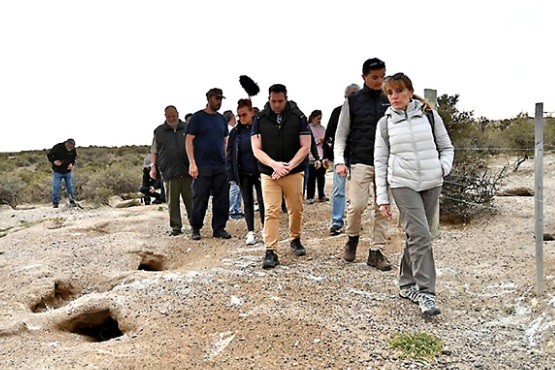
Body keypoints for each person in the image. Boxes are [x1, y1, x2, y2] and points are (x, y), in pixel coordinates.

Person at [375, 72, 454, 316]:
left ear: (409, 91)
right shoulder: (385, 123)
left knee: (418, 236)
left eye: (398, 91)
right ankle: (426, 293)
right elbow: (380, 161)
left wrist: (442, 168)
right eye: (389, 93)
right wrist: (382, 198)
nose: (394, 96)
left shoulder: (429, 115)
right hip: (403, 184)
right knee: (421, 236)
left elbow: (446, 146)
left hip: (432, 182)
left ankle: (406, 284)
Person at [334, 57, 391, 270]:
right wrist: (340, 161)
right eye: (374, 77)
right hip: (360, 161)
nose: (379, 81)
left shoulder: (390, 98)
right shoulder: (352, 102)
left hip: (386, 164)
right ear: (364, 77)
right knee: (356, 205)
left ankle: (376, 252)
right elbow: (341, 135)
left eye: (382, 76)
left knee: (382, 209)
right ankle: (352, 238)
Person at [251, 83, 311, 269]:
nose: (276, 105)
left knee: (296, 208)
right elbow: (256, 148)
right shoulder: (260, 118)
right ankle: (271, 250)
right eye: (273, 101)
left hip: (293, 171)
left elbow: (305, 145)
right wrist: (274, 165)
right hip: (269, 173)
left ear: (286, 99)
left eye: (280, 101)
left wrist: (289, 166)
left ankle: (295, 237)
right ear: (269, 99)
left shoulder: (298, 116)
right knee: (271, 210)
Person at [186, 88, 232, 240]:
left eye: (220, 99)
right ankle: (195, 227)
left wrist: (227, 160)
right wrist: (192, 163)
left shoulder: (221, 119)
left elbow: (225, 141)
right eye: (216, 98)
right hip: (202, 165)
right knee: (200, 198)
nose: (218, 101)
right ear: (208, 98)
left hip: (220, 165)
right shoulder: (197, 118)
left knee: (222, 199)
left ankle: (219, 228)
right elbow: (189, 140)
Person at [323, 83, 360, 235]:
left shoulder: (365, 112)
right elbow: (329, 135)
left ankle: (354, 221)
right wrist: (326, 155)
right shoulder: (338, 112)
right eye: (346, 95)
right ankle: (337, 221)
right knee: (339, 189)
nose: (348, 98)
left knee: (358, 191)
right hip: (342, 156)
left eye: (351, 94)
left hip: (359, 155)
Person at [226, 99, 265, 245]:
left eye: (244, 115)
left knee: (263, 202)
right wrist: (231, 175)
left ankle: (265, 229)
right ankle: (250, 232)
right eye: (239, 116)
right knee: (247, 202)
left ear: (251, 113)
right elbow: (229, 154)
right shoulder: (235, 132)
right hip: (242, 172)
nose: (241, 118)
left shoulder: (260, 127)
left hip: (260, 171)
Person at [151, 105, 192, 236]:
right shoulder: (159, 131)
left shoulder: (187, 128)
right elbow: (154, 151)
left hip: (188, 171)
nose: (171, 118)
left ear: (178, 114)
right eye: (169, 116)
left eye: (173, 116)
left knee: (191, 200)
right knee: (172, 202)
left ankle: (195, 224)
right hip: (169, 172)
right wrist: (153, 166)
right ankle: (176, 227)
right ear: (165, 116)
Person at [224, 109, 243, 220]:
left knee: (237, 187)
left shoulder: (230, 130)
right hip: (232, 162)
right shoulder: (231, 131)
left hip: (233, 161)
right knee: (235, 187)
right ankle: (233, 209)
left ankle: (236, 209)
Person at [306, 109, 328, 204]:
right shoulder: (308, 128)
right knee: (311, 178)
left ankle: (321, 194)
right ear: (313, 117)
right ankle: (310, 196)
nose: (319, 120)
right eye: (318, 118)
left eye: (320, 118)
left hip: (322, 155)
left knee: (321, 177)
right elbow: (308, 142)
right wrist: (319, 140)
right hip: (311, 156)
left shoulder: (323, 128)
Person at [47, 138, 77, 208]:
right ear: (67, 144)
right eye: (69, 146)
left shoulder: (73, 150)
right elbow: (49, 155)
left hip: (67, 171)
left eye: (72, 147)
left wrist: (71, 164)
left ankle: (72, 201)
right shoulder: (58, 147)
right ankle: (55, 203)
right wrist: (54, 161)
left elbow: (73, 159)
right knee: (56, 186)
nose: (70, 148)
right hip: (57, 171)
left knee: (70, 186)